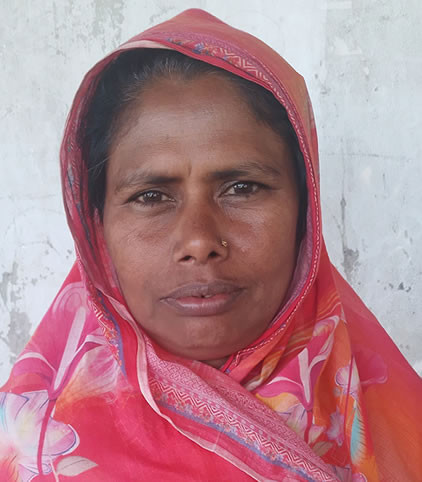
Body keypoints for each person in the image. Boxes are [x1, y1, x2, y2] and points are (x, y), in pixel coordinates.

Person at [1, 8, 421, 481]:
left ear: (306, 209)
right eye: (151, 196)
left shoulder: (401, 431)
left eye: (242, 188)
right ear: (96, 227)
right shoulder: (33, 452)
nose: (200, 241)